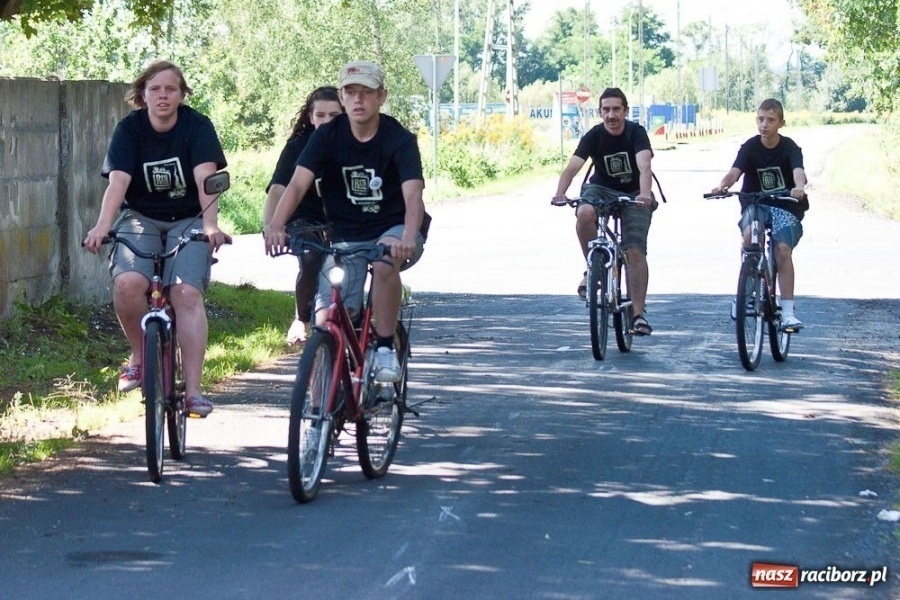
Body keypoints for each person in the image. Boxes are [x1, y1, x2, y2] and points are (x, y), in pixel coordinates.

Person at [264, 60, 429, 383]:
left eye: (366, 92)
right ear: (342, 96)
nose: (358, 100)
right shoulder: (326, 136)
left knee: (384, 263)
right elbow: (297, 184)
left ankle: (383, 348)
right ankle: (319, 416)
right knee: (327, 318)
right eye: (350, 92)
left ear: (381, 96)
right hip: (345, 237)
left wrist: (408, 235)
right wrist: (276, 225)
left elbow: (413, 196)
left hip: (394, 230)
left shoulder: (399, 139)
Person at [83, 60, 230, 417]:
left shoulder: (197, 126)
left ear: (181, 95)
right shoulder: (129, 129)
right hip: (141, 217)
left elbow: (205, 179)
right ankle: (139, 355)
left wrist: (210, 225)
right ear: (142, 95)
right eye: (155, 89)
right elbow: (118, 182)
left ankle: (194, 391)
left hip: (189, 218)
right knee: (128, 284)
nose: (163, 96)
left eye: (170, 89)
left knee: (185, 293)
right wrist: (102, 226)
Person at [551, 87, 657, 336]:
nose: (611, 115)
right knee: (584, 213)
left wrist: (643, 195)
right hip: (600, 189)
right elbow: (572, 168)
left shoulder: (636, 133)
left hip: (634, 193)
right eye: (606, 110)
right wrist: (560, 193)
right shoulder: (594, 135)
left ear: (625, 111)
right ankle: (593, 267)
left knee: (634, 250)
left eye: (616, 109)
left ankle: (638, 316)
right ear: (600, 112)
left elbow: (645, 165)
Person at [710, 97, 809, 330]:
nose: (765, 125)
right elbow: (735, 171)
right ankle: (745, 293)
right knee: (750, 239)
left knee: (782, 250)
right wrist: (722, 185)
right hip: (755, 203)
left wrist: (799, 188)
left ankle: (787, 312)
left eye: (771, 120)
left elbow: (798, 171)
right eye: (761, 119)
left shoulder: (790, 147)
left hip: (785, 205)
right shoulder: (750, 147)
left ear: (781, 123)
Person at [263, 86, 344, 345]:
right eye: (320, 115)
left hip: (343, 220)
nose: (326, 122)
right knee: (310, 260)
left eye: (334, 115)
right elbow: (278, 189)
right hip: (305, 220)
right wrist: (271, 227)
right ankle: (302, 317)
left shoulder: (354, 142)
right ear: (310, 117)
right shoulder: (298, 146)